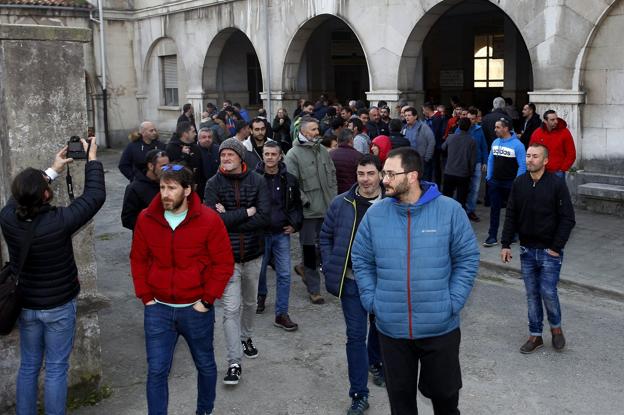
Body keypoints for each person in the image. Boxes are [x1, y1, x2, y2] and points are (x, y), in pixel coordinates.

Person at [351, 147, 479, 415]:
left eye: (389, 173)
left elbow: (467, 259)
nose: (382, 179)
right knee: (401, 403)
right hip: (392, 329)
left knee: (445, 400)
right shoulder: (376, 214)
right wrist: (373, 301)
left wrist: (452, 302)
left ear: (412, 176)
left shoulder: (450, 211)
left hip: (439, 327)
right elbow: (361, 258)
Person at [1, 139, 105, 415]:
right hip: (59, 306)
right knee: (57, 368)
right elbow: (94, 197)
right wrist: (92, 159)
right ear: (46, 195)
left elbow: (20, 196)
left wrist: (52, 170)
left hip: (27, 306)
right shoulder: (59, 221)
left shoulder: (7, 218)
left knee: (29, 365)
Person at [130, 164, 234, 415]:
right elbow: (138, 259)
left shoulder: (209, 220)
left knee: (206, 365)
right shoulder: (146, 218)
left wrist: (207, 301)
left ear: (187, 190)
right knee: (156, 370)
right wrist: (146, 297)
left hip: (196, 308)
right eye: (162, 187)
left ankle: (204, 411)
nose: (165, 193)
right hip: (158, 309)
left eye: (172, 188)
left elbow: (223, 263)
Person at [320, 154, 386, 415]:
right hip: (351, 283)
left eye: (370, 173)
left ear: (380, 174)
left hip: (383, 283)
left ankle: (376, 362)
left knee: (381, 328)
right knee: (355, 337)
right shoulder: (341, 203)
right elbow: (325, 235)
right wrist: (329, 264)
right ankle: (359, 394)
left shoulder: (393, 203)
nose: (366, 179)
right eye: (361, 174)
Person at [204, 138, 270, 386]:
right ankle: (234, 362)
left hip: (254, 254)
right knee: (231, 309)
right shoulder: (213, 184)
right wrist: (245, 212)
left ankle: (247, 336)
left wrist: (228, 217)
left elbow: (264, 217)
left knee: (251, 302)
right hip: (226, 259)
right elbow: (212, 222)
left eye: (230, 155)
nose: (225, 159)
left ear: (241, 158)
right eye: (222, 155)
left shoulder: (258, 181)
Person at [500, 143, 575, 354]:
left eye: (535, 156)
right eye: (528, 156)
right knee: (532, 294)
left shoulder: (556, 184)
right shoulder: (519, 182)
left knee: (548, 291)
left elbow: (568, 218)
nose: (530, 159)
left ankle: (556, 329)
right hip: (526, 250)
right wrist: (506, 244)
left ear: (545, 161)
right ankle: (535, 335)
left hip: (550, 251)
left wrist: (555, 247)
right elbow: (512, 214)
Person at [284, 116, 337, 304]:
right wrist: (305, 202)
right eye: (314, 129)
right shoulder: (293, 154)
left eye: (317, 129)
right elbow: (292, 185)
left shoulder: (323, 150)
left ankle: (304, 268)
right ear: (304, 131)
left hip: (327, 208)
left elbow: (332, 176)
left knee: (326, 246)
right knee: (308, 249)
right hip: (308, 212)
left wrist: (334, 198)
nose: (317, 132)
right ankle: (314, 289)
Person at [255, 141, 303, 330]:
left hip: (281, 233)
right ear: (263, 155)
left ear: (280, 156)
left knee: (284, 273)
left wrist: (294, 224)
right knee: (259, 272)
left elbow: (297, 205)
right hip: (260, 233)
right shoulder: (254, 177)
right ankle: (261, 295)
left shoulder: (289, 179)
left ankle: (281, 313)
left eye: (273, 154)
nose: (270, 158)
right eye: (266, 154)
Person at [484, 118, 526, 247]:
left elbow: (523, 165)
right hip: (495, 183)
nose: (495, 129)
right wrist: (489, 177)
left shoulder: (518, 145)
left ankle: (512, 234)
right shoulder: (495, 142)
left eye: (498, 127)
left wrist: (516, 183)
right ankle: (492, 236)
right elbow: (490, 159)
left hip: (510, 184)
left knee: (512, 211)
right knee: (494, 210)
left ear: (506, 128)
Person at [121, 149, 170, 230]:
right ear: (151, 166)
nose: (167, 169)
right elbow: (127, 220)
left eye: (168, 165)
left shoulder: (169, 184)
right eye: (163, 166)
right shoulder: (135, 188)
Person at [529, 110, 576, 178]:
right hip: (540, 171)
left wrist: (562, 169)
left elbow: (571, 153)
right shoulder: (537, 133)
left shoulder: (565, 132)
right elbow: (531, 151)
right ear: (545, 121)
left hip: (557, 172)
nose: (556, 121)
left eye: (556, 119)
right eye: (552, 120)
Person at [441, 117, 477, 209]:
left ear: (458, 126)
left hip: (449, 171)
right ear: (469, 127)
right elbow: (472, 161)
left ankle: (445, 217)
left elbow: (443, 148)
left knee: (446, 198)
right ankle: (459, 218)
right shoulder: (472, 141)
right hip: (463, 174)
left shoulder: (451, 137)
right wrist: (470, 173)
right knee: (461, 200)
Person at [166, 121, 205, 199]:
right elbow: (172, 169)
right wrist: (184, 156)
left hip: (197, 188)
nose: (195, 134)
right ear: (185, 134)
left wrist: (198, 183)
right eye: (193, 131)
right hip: (180, 189)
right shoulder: (172, 148)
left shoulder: (196, 147)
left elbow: (200, 167)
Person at [464, 107, 489, 222]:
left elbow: (484, 146)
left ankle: (471, 210)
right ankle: (463, 209)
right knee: (464, 187)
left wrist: (485, 161)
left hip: (477, 162)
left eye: (473, 119)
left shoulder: (479, 130)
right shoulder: (461, 129)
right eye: (469, 118)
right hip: (464, 163)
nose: (471, 121)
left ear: (476, 119)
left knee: (475, 188)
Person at [330, 129, 363, 194]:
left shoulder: (330, 155)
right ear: (351, 140)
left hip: (334, 192)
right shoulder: (358, 156)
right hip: (352, 193)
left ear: (337, 140)